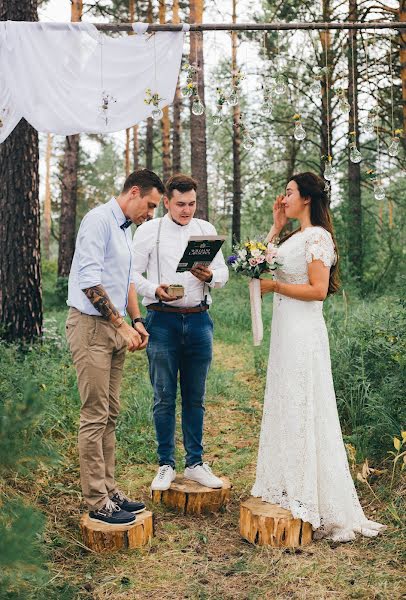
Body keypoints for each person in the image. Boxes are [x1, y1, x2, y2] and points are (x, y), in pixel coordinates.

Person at [251, 172, 386, 542]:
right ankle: (290, 480)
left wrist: (276, 286)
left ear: (307, 198)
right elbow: (260, 263)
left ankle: (314, 494)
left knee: (303, 402)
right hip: (284, 330)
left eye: (290, 192)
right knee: (286, 401)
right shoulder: (295, 235)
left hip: (303, 333)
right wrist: (276, 227)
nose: (284, 197)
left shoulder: (318, 238)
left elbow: (318, 290)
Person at [66, 168, 165, 525]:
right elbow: (91, 284)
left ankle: (109, 489)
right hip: (91, 327)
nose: (151, 214)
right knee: (94, 414)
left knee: (110, 413)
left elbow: (123, 283)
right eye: (151, 205)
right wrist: (121, 326)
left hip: (115, 328)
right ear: (134, 192)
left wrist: (137, 322)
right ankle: (96, 500)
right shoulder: (98, 221)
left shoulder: (126, 230)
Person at [132, 174, 229, 491]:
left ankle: (196, 464)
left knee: (195, 396)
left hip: (199, 320)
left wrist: (211, 274)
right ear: (166, 202)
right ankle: (165, 464)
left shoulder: (205, 230)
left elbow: (223, 272)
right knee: (163, 396)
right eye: (180, 204)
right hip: (162, 320)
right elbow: (130, 274)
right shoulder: (150, 231)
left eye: (191, 204)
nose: (186, 210)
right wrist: (154, 289)